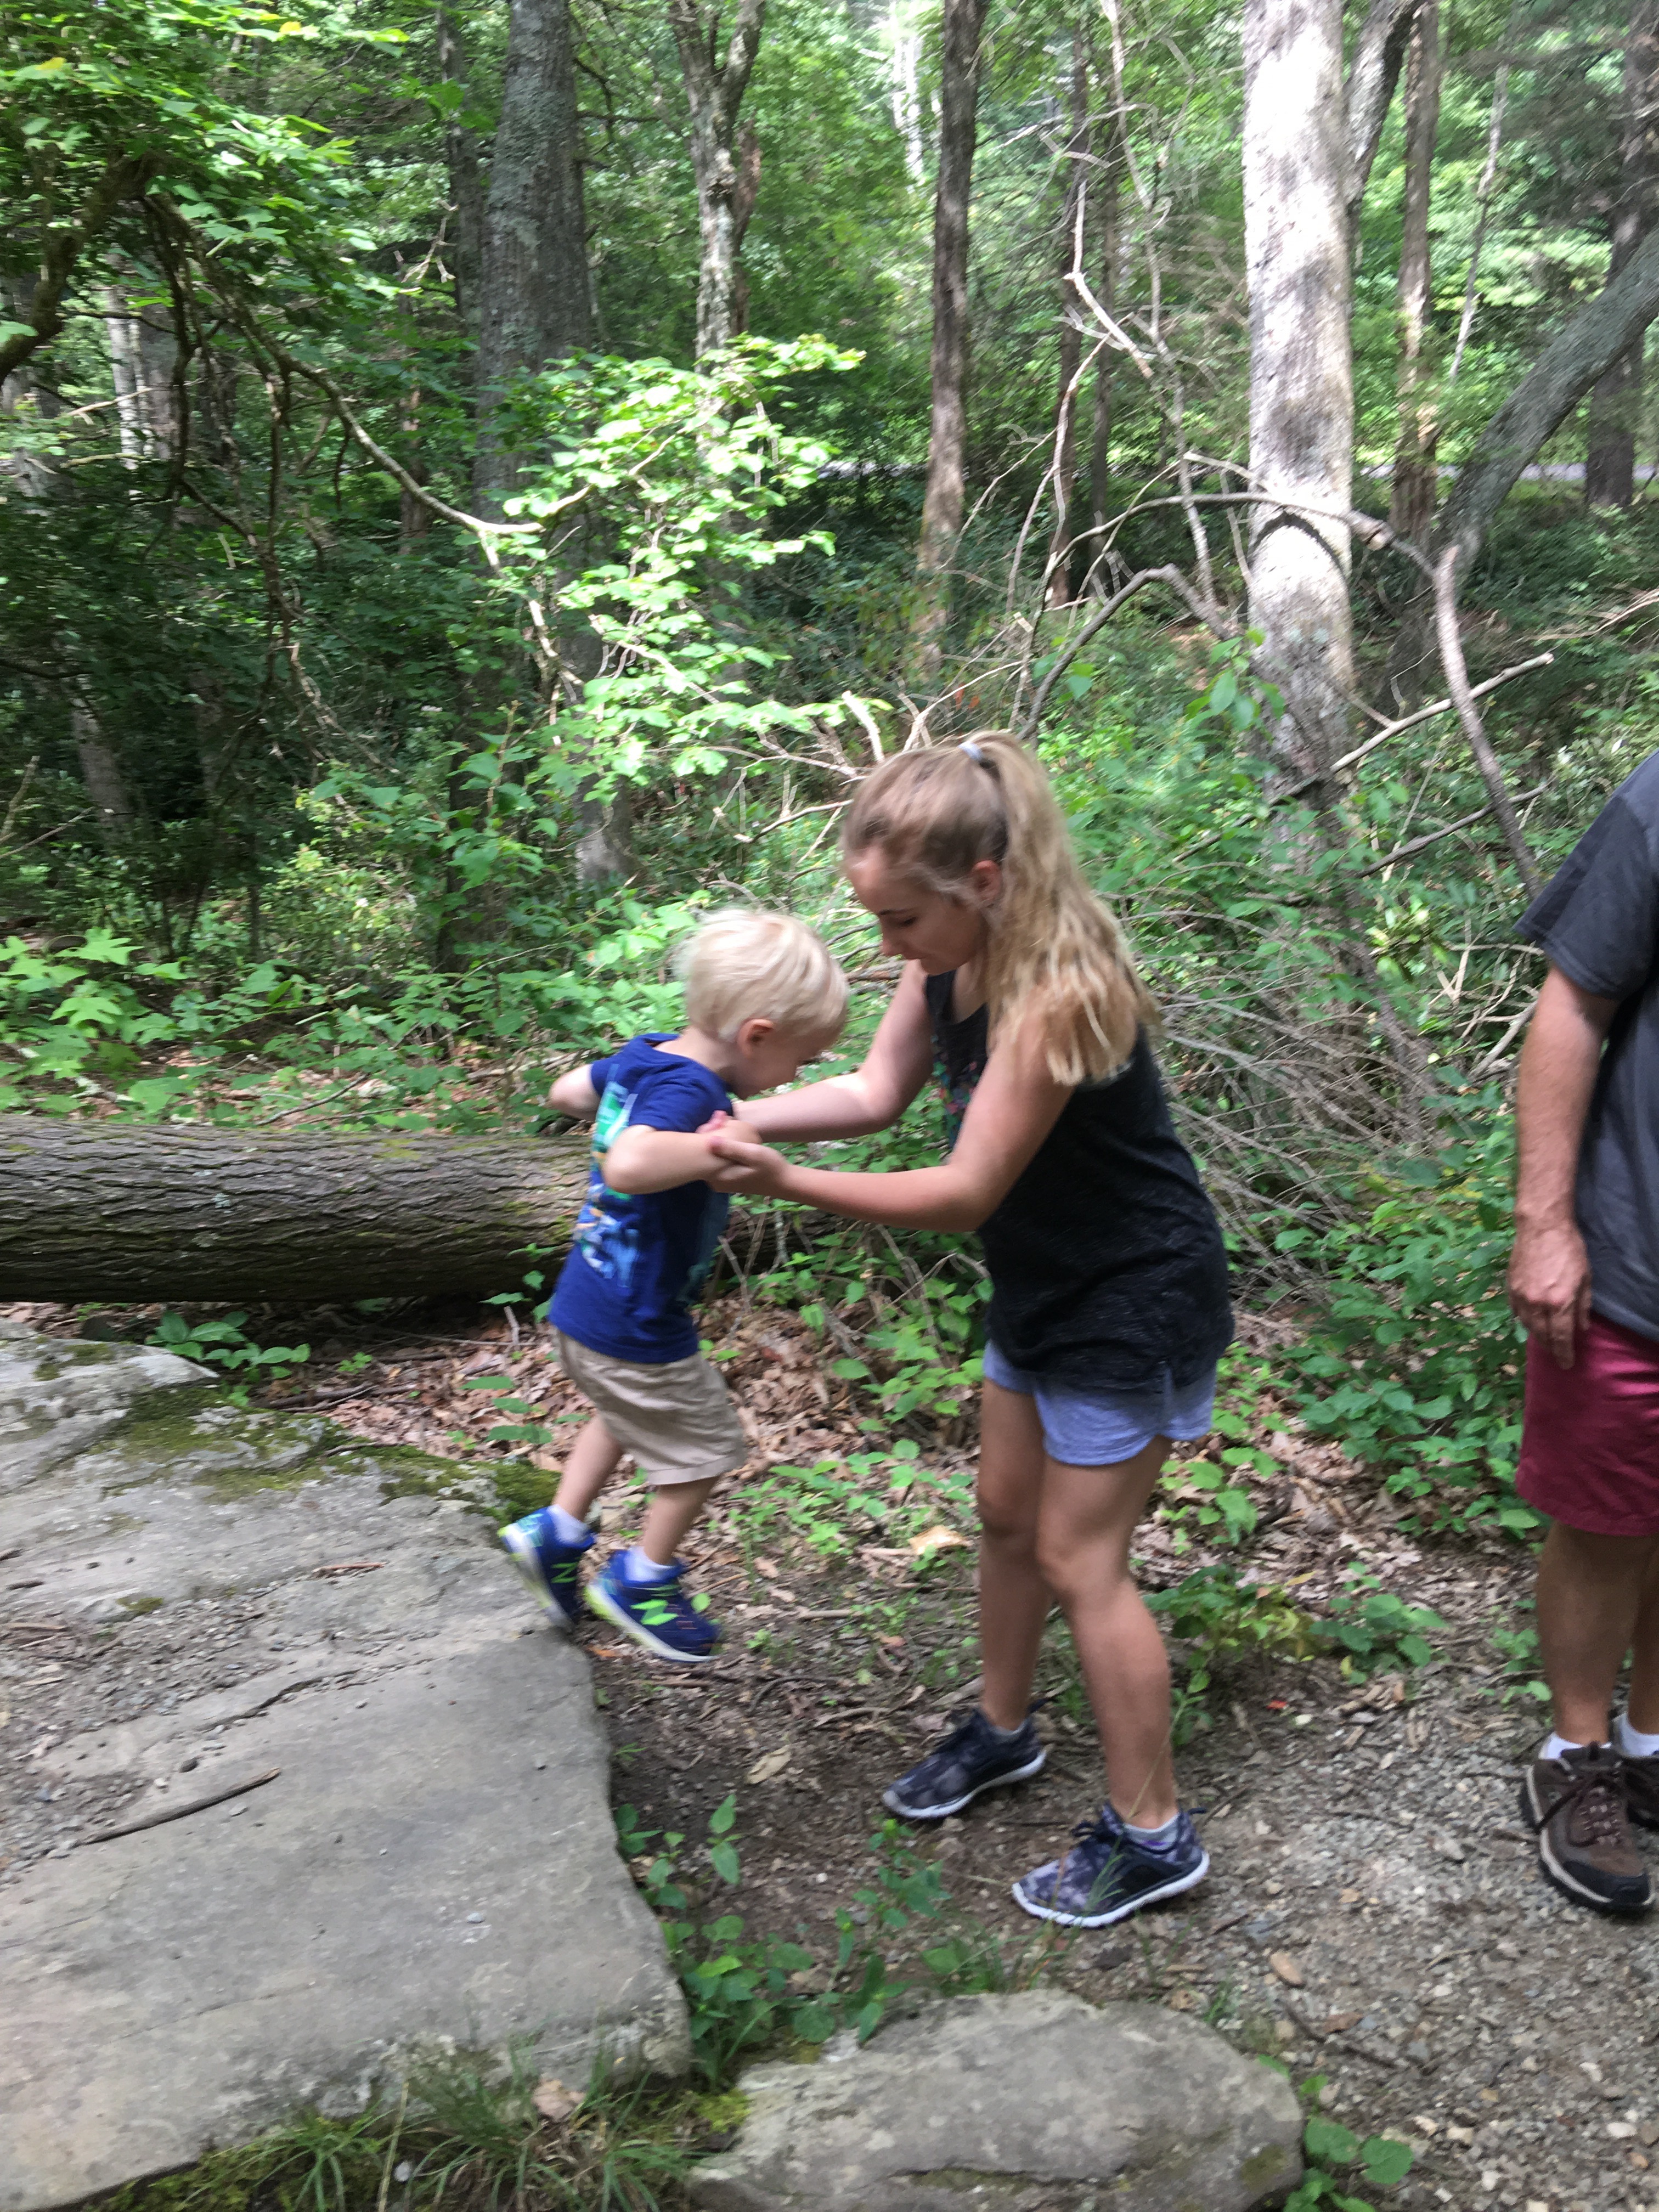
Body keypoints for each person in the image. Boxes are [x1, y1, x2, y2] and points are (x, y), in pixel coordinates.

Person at [707, 736, 1233, 1926]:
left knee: (1081, 1561)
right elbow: (872, 1094)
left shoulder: (1057, 990)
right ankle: (1003, 1730)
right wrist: (731, 1114)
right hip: (1043, 1283)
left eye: (900, 919)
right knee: (1004, 1514)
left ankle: (1155, 1835)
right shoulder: (944, 958)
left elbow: (962, 1191)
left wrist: (784, 1184)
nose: (888, 944)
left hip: (1134, 1294)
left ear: (984, 882)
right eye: (877, 921)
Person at [499, 908, 848, 1663]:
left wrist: (619, 1109)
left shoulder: (649, 1057)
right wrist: (720, 1145)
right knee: (705, 1452)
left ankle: (556, 1534)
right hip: (638, 1318)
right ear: (756, 1036)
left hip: (586, 1302)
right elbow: (630, 1164)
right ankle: (642, 1582)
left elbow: (566, 1091)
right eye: (803, 1058)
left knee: (620, 1413)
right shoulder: (694, 1093)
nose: (799, 1075)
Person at [1509, 751, 1659, 1914]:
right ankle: (1575, 1752)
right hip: (1634, 1254)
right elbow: (1573, 1004)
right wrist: (1545, 1221)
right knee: (1606, 1521)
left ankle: (1652, 1744)